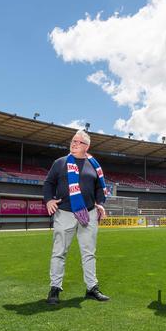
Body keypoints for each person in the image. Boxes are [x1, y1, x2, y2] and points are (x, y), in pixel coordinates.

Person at [43, 130, 110, 304]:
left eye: (78, 142)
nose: (74, 144)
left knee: (89, 253)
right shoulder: (60, 162)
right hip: (65, 213)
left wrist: (100, 203)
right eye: (73, 141)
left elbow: (99, 189)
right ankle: (55, 289)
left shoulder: (94, 165)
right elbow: (49, 183)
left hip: (89, 213)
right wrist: (49, 199)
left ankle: (91, 288)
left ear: (87, 146)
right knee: (59, 252)